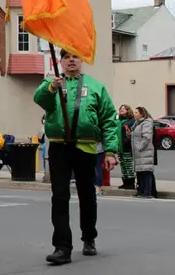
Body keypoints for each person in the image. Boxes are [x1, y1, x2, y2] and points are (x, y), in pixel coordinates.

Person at [34, 49, 118, 265]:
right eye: (66, 57)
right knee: (59, 196)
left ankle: (89, 237)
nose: (71, 60)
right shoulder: (52, 84)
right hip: (60, 148)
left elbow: (108, 119)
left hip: (86, 148)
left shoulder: (96, 86)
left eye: (75, 57)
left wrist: (110, 151)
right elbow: (39, 98)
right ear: (60, 62)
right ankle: (62, 247)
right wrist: (51, 87)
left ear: (82, 61)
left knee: (87, 195)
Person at [131, 106, 155, 199]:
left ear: (142, 113)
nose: (135, 114)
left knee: (146, 172)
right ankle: (140, 190)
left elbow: (147, 137)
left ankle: (147, 191)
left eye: (137, 112)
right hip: (138, 152)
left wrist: (139, 147)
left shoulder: (147, 122)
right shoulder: (137, 123)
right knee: (140, 172)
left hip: (145, 151)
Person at [117, 104, 135, 190]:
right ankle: (125, 181)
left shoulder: (131, 121)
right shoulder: (119, 121)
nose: (121, 110)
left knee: (128, 165)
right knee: (123, 165)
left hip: (127, 146)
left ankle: (131, 183)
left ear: (128, 110)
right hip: (120, 147)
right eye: (120, 109)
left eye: (123, 109)